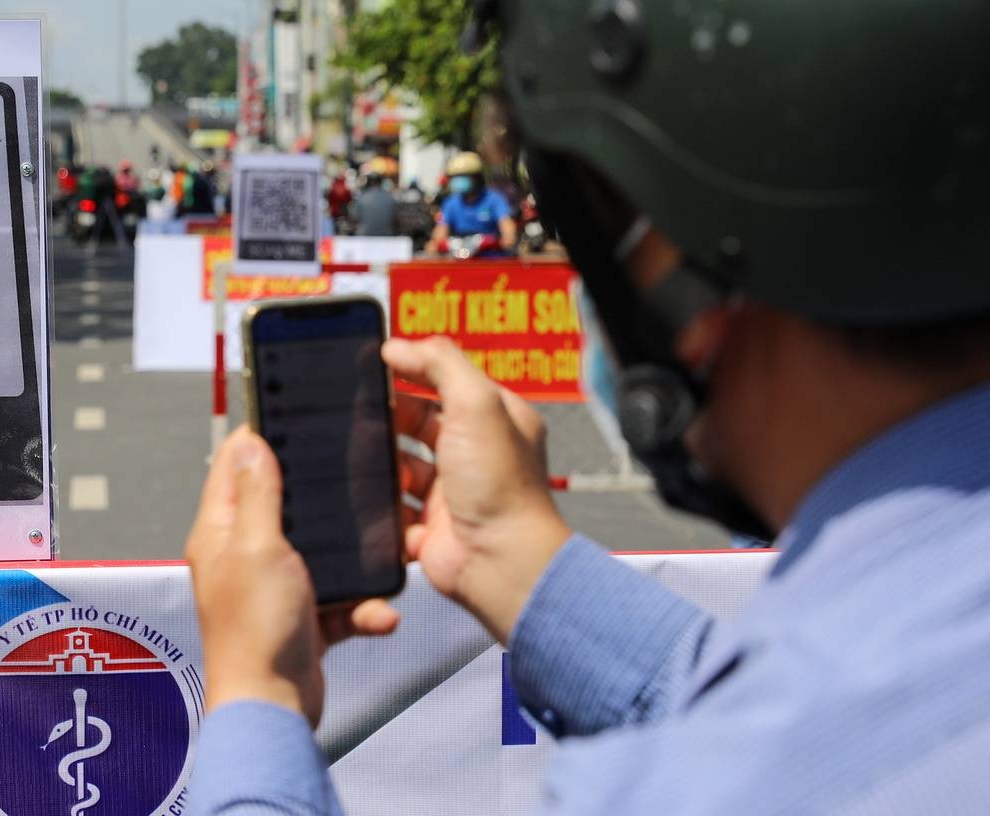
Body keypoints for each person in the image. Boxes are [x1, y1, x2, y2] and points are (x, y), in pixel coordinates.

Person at [183, 1, 990, 813]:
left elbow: (770, 758)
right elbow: (814, 719)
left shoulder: (704, 785)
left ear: (691, 274)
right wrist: (519, 559)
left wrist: (258, 696)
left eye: (584, 221)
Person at [431, 151, 517, 253]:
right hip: (460, 257)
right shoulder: (451, 203)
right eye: (455, 177)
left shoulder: (494, 199)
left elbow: (506, 226)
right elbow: (441, 231)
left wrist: (506, 239)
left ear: (477, 177)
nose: (459, 181)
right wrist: (436, 243)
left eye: (464, 176)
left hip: (490, 258)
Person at [351, 172, 398, 237]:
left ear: (368, 183)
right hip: (386, 236)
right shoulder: (390, 198)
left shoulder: (361, 198)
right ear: (381, 182)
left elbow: (354, 218)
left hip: (364, 236)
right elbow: (395, 219)